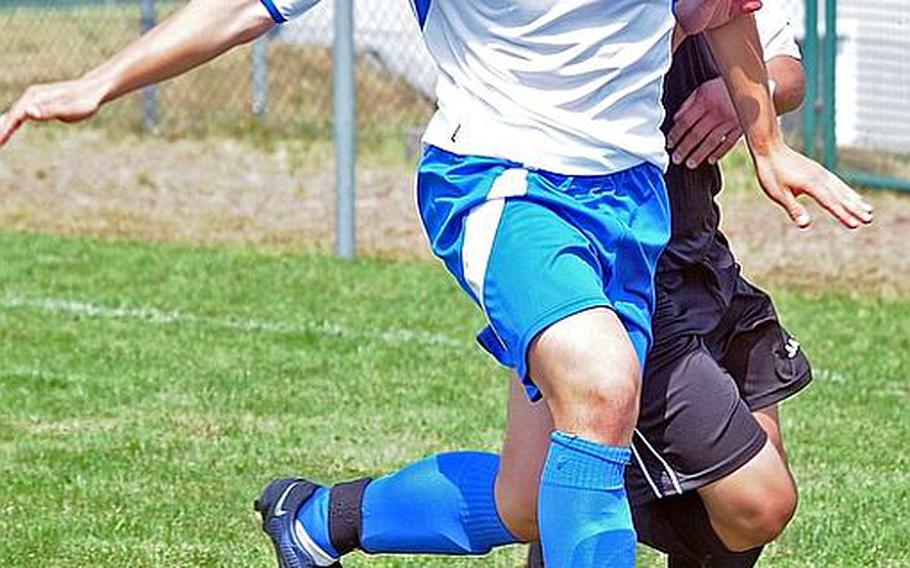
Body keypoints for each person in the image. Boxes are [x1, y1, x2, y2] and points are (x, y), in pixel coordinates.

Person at [0, 1, 872, 567]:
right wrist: (98, 81)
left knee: (528, 500)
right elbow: (246, 8)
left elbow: (726, 12)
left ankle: (315, 523)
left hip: (634, 206)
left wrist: (769, 147)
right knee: (605, 388)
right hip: (502, 184)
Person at [521, 3, 813, 567]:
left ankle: (567, 501)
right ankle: (568, 505)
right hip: (625, 260)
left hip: (703, 247)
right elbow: (601, 69)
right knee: (755, 501)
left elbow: (788, 70)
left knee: (754, 494)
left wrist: (747, 93)